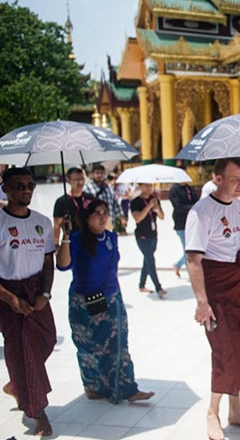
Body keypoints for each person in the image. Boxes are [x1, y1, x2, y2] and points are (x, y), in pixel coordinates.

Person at [185, 158, 240, 440]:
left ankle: (235, 410)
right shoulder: (201, 211)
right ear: (217, 179)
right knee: (224, 351)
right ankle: (213, 412)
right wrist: (202, 301)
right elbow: (194, 259)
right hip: (217, 291)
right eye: (234, 179)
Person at [55, 199, 154, 404]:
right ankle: (92, 384)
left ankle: (128, 388)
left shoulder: (111, 237)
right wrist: (65, 236)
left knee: (118, 344)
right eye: (96, 213)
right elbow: (63, 265)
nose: (102, 217)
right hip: (83, 303)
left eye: (105, 212)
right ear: (86, 217)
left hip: (111, 299)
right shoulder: (76, 239)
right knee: (88, 346)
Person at [0, 167, 56, 436]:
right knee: (22, 354)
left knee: (47, 341)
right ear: (6, 189)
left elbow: (48, 261)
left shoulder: (42, 222)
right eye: (19, 185)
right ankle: (36, 411)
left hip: (36, 293)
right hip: (8, 294)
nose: (26, 190)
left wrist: (44, 294)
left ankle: (17, 385)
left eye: (30, 185)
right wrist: (11, 299)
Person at [130, 183, 166, 297]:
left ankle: (141, 285)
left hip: (153, 234)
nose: (148, 188)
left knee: (147, 259)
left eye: (150, 185)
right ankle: (158, 287)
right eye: (145, 185)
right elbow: (137, 218)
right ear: (140, 186)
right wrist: (149, 207)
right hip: (142, 235)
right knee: (150, 259)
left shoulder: (154, 200)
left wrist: (157, 209)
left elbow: (162, 217)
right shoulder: (135, 202)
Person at [52, 166, 95, 246]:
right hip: (72, 242)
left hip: (90, 240)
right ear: (68, 181)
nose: (80, 182)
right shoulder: (61, 202)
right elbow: (57, 226)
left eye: (82, 179)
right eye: (76, 180)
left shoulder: (90, 197)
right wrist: (56, 245)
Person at [169, 179, 199, 278]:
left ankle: (177, 265)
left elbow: (197, 201)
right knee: (188, 251)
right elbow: (178, 207)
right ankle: (192, 275)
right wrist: (192, 207)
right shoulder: (174, 190)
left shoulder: (190, 188)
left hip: (193, 222)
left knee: (193, 249)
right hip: (181, 223)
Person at [84, 164, 125, 230]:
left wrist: (121, 216)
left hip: (108, 221)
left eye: (101, 173)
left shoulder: (109, 187)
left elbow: (115, 203)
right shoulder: (87, 188)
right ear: (92, 174)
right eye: (97, 173)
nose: (99, 175)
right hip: (94, 223)